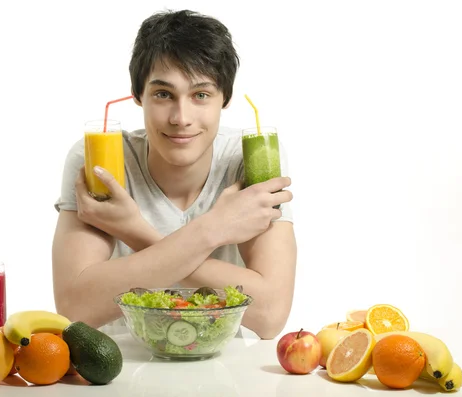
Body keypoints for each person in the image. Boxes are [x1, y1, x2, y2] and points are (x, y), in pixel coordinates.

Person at [51, 9, 296, 340]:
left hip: (225, 372)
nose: (181, 117)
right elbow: (75, 308)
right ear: (138, 96)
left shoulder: (250, 158)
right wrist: (213, 229)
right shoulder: (98, 159)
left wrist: (137, 232)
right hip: (119, 369)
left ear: (225, 98)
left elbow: (270, 315)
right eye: (163, 94)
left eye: (201, 95)